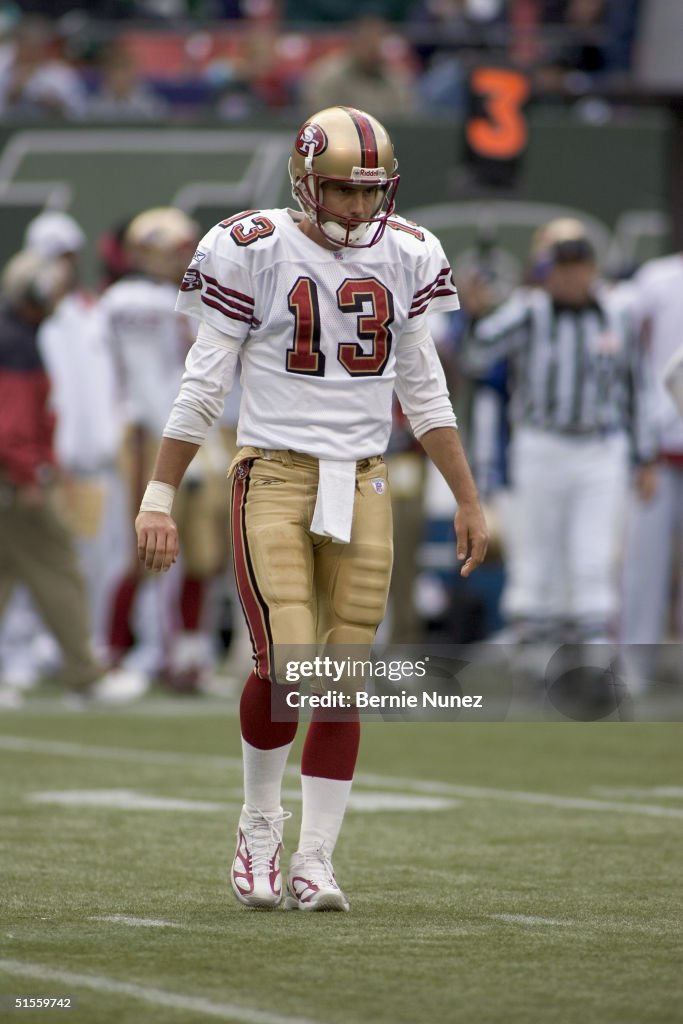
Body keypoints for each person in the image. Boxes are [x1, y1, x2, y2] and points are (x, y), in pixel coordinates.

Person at [135, 106, 487, 911]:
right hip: (276, 471)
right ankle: (260, 825)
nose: (358, 208)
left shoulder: (408, 252)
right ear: (303, 182)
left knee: (341, 679)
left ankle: (316, 859)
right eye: (339, 190)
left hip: (362, 479)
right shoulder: (251, 246)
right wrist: (159, 493)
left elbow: (424, 389)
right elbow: (203, 382)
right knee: (291, 664)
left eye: (369, 191)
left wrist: (465, 496)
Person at [461, 217, 657, 650]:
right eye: (562, 268)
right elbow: (477, 356)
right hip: (541, 443)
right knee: (536, 547)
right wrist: (474, 315)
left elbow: (637, 387)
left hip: (600, 446)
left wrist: (645, 457)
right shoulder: (529, 310)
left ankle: (593, 656)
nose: (571, 277)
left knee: (594, 552)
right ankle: (534, 653)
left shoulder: (617, 313)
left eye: (578, 266)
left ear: (591, 268)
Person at [0, 249, 145, 707]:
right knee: (61, 570)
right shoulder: (17, 341)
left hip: (12, 475)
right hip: (12, 482)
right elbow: (12, 424)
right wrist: (28, 475)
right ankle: (84, 674)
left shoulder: (18, 334)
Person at [100, 207, 231, 691]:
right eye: (179, 250)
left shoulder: (179, 301)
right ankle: (117, 653)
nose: (188, 260)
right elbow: (152, 383)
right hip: (147, 433)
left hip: (194, 433)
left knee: (204, 552)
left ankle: (190, 658)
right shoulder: (132, 299)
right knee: (145, 550)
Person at [618, 253, 683, 686]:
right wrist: (641, 447)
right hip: (660, 450)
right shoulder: (658, 278)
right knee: (644, 564)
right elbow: (628, 356)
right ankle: (632, 667)